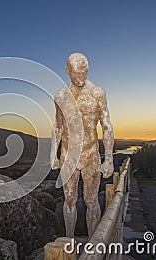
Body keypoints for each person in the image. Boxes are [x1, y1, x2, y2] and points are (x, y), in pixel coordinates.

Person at [50, 53, 114, 237]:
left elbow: (107, 126)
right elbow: (58, 126)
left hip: (90, 154)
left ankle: (94, 244)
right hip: (68, 153)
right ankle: (69, 242)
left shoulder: (97, 93)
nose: (81, 77)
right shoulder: (61, 95)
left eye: (84, 73)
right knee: (69, 200)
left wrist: (109, 158)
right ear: (67, 71)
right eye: (76, 73)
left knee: (91, 200)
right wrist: (53, 153)